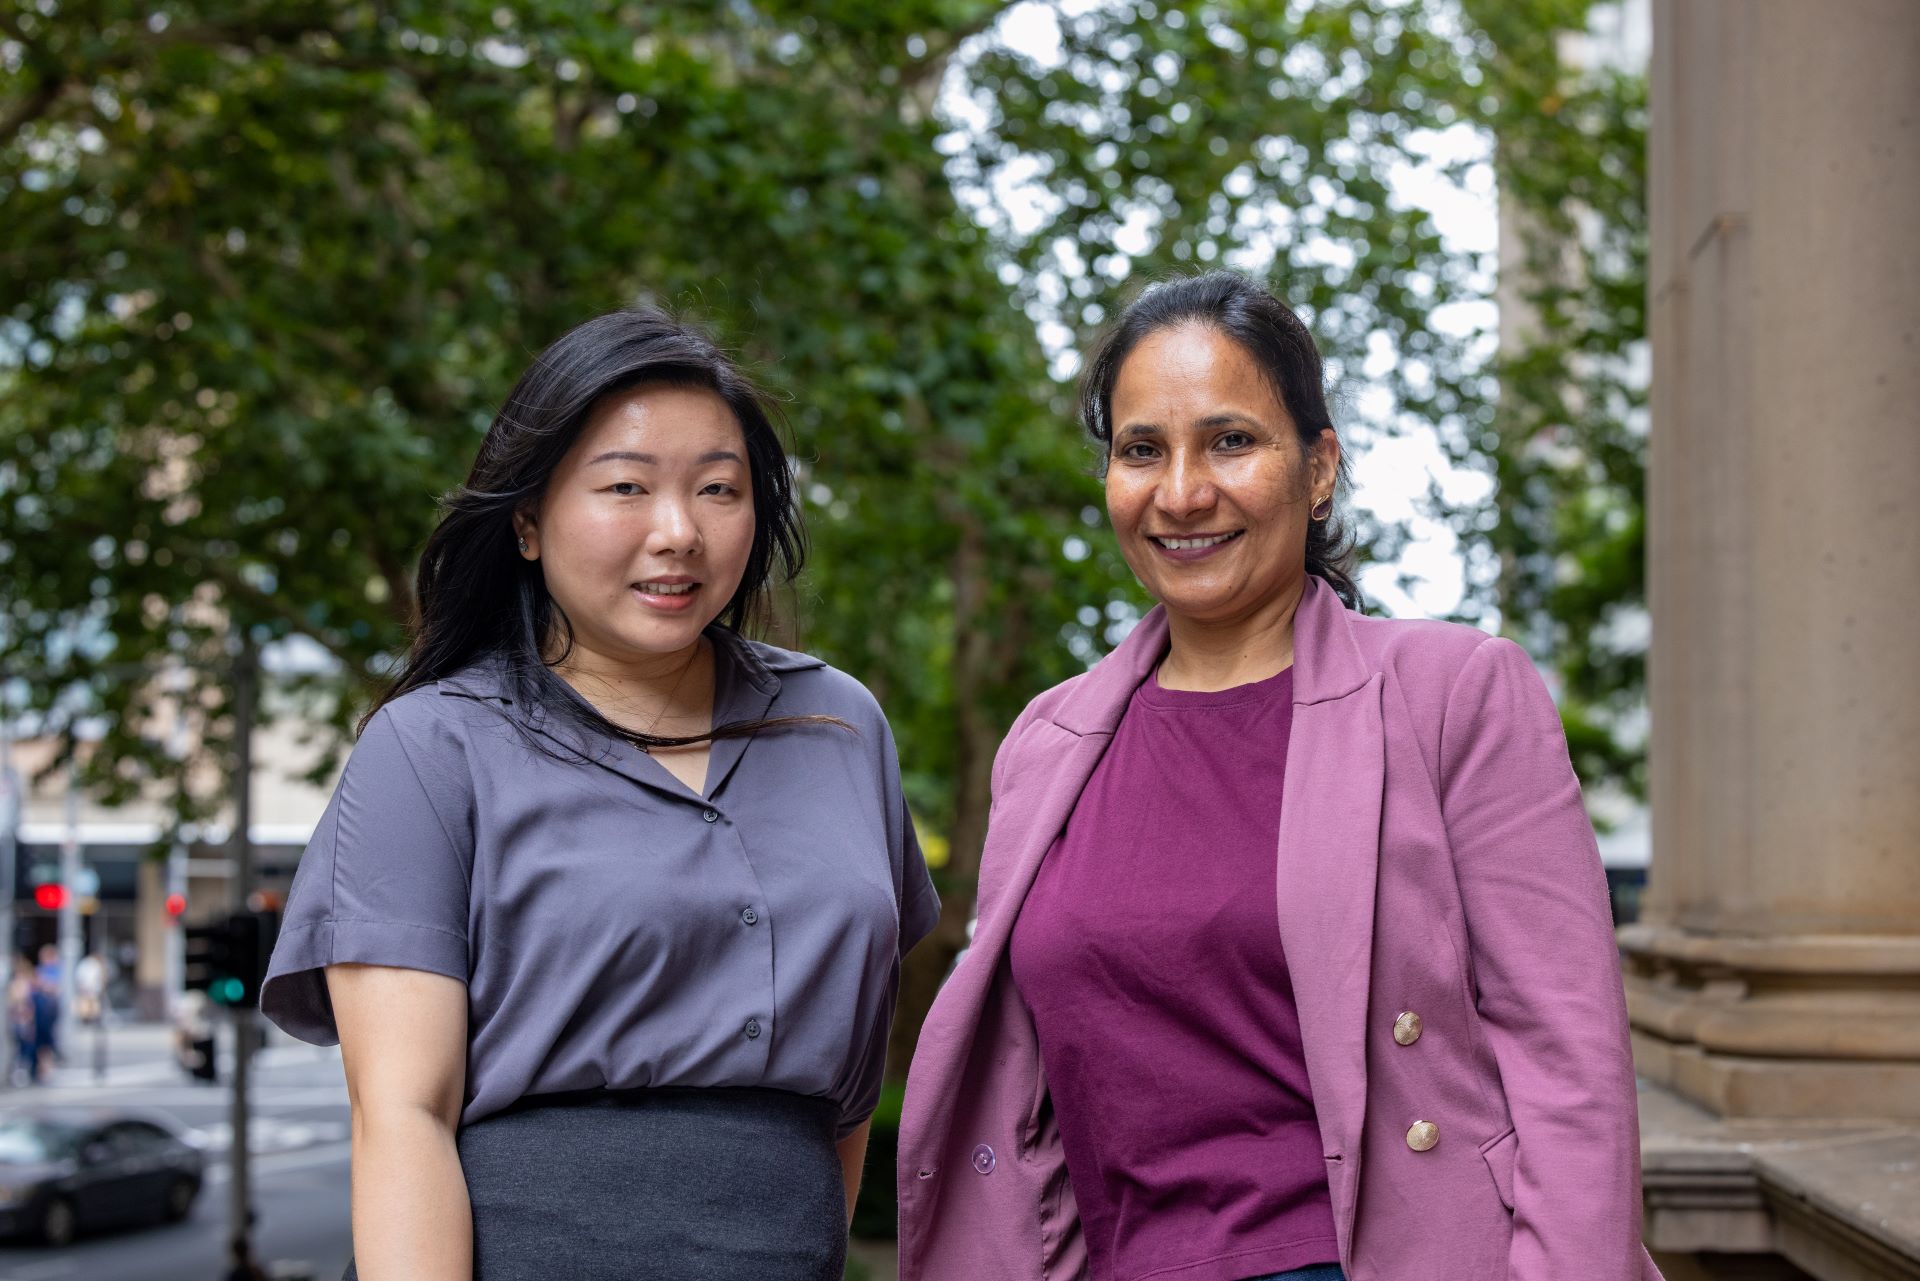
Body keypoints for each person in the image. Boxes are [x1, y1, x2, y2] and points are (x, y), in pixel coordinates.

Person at [899, 272, 1662, 1281]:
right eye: (1141, 450)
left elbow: (1572, 1070)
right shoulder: (1046, 745)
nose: (1181, 493)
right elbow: (1020, 1095)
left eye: (1230, 441)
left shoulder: (1452, 696)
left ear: (1318, 468)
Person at [261, 308, 938, 1281]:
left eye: (719, 489)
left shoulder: (841, 725)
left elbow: (848, 1093)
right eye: (626, 486)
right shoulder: (430, 747)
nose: (679, 533)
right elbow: (401, 1114)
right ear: (528, 521)